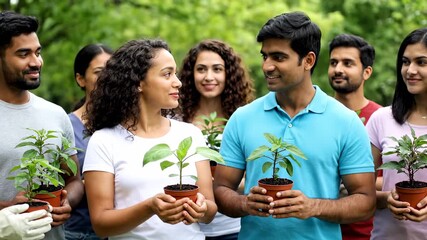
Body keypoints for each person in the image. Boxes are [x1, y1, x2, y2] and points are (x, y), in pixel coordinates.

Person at [213, 11, 376, 240]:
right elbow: (220, 190)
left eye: (278, 57)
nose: (267, 66)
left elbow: (365, 201)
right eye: (265, 56)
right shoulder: (242, 118)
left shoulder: (346, 121)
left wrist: (313, 207)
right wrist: (244, 203)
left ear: (308, 60)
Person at [82, 39, 217, 239]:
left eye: (176, 73)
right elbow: (101, 224)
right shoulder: (103, 141)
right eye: (167, 74)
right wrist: (150, 207)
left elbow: (210, 208)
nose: (178, 82)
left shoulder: (191, 135)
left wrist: (202, 209)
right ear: (138, 83)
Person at [0, 11, 84, 240]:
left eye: (38, 52)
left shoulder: (55, 114)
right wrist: (7, 208)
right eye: (23, 54)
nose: (36, 62)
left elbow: (74, 179)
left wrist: (67, 202)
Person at [178, 39, 255, 240]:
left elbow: (254, 174)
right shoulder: (175, 121)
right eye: (201, 69)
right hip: (187, 228)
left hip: (232, 228)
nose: (209, 77)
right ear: (190, 74)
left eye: (217, 69)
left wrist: (222, 183)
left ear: (229, 74)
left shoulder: (243, 120)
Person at [366, 27, 427, 239]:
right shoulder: (381, 119)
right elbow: (360, 191)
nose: (410, 70)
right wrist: (386, 199)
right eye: (405, 61)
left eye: (421, 62)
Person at [327, 33, 382, 240]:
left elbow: (392, 177)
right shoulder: (315, 114)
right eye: (333, 62)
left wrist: (352, 178)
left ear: (366, 72)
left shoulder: (381, 119)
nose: (338, 69)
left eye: (347, 63)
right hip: (318, 230)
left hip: (366, 234)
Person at [65, 44, 113, 240]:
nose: (107, 78)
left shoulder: (127, 126)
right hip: (78, 232)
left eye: (111, 71)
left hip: (121, 231)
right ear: (80, 79)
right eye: (99, 72)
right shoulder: (66, 125)